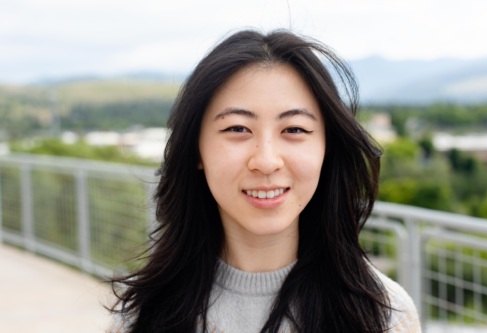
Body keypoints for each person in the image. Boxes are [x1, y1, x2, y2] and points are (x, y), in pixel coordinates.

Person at [108, 29, 421, 333]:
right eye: (238, 129)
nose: (267, 161)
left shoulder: (385, 315)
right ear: (196, 149)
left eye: (295, 129)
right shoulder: (139, 317)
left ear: (327, 149)